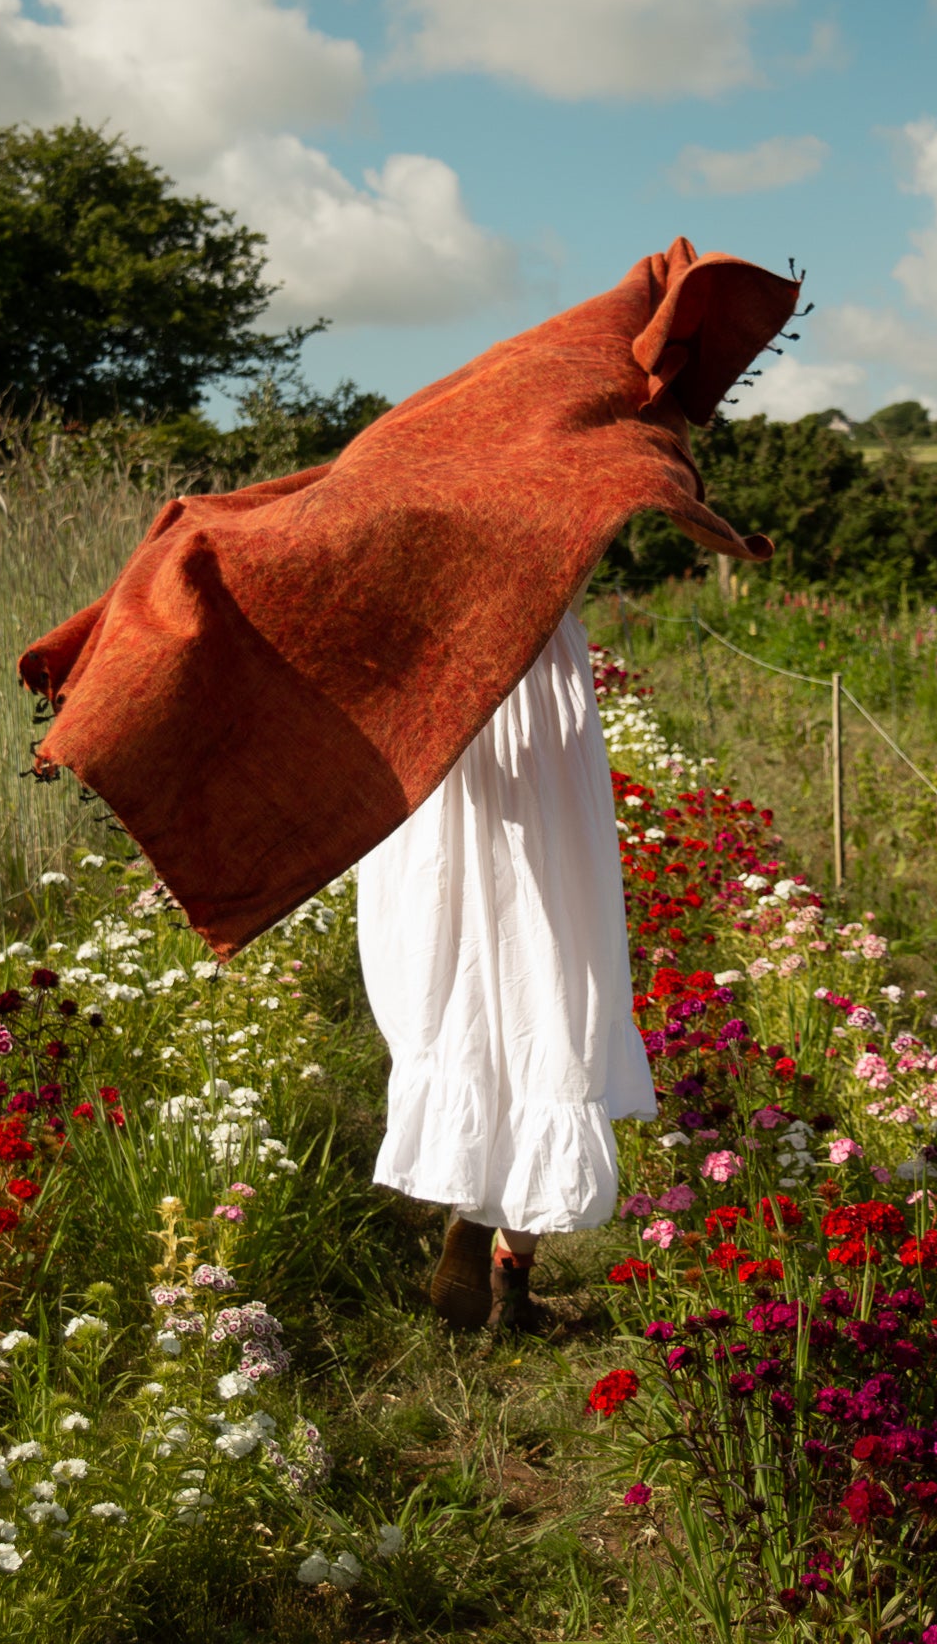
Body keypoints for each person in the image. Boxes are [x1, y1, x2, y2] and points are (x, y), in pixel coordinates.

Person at [356, 565, 654, 1332]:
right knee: (546, 976)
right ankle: (510, 1277)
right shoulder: (556, 497)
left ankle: (475, 1211)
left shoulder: (414, 523)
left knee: (455, 965)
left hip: (434, 713)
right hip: (538, 708)